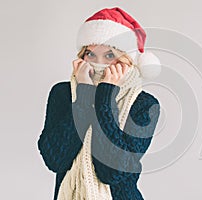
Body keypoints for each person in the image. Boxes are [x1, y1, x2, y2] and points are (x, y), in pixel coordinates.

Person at [37, 7, 161, 200]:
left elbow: (111, 172)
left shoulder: (145, 105)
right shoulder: (62, 93)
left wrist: (105, 97)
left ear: (128, 61)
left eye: (110, 55)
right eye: (90, 54)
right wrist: (85, 95)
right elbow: (55, 160)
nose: (97, 63)